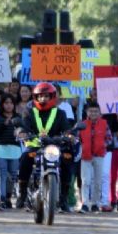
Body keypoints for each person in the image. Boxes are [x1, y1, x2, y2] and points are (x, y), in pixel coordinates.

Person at [17, 82, 73, 213]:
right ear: (35, 97)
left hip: (54, 147)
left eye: (46, 96)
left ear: (53, 96)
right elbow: (23, 126)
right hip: (35, 147)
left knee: (67, 159)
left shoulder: (60, 113)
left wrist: (69, 135)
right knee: (25, 158)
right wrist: (22, 132)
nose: (43, 99)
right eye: (40, 96)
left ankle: (63, 198)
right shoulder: (29, 113)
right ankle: (23, 193)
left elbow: (66, 129)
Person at [0, 93, 22, 210]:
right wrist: (4, 125)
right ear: (2, 104)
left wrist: (20, 131)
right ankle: (1, 199)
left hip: (15, 149)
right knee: (1, 175)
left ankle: (8, 197)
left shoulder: (18, 117)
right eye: (6, 103)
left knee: (13, 176)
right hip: (0, 149)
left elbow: (24, 130)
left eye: (11, 103)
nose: (9, 105)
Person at [78, 101, 111, 213]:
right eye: (91, 111)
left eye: (96, 111)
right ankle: (85, 204)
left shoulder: (104, 124)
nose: (93, 113)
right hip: (85, 156)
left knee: (98, 181)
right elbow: (78, 139)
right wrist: (82, 148)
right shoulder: (82, 124)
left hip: (99, 156)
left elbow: (109, 138)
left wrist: (102, 146)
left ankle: (95, 204)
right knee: (85, 181)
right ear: (87, 112)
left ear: (99, 113)